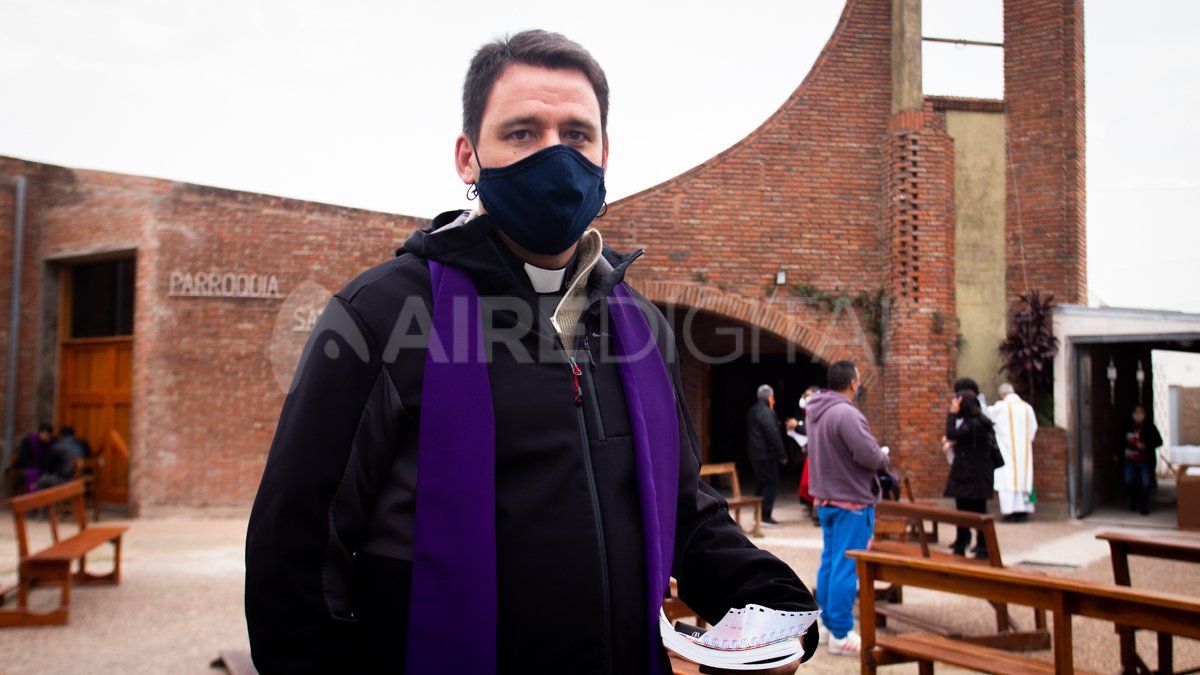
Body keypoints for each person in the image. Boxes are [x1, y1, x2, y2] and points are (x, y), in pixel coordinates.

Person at [245, 30, 818, 674]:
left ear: (605, 153)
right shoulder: (378, 315)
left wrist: (768, 605)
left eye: (576, 135)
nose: (555, 156)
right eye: (522, 133)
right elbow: (295, 555)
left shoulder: (644, 330)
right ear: (468, 157)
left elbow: (684, 512)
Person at [807, 361, 889, 656]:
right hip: (851, 501)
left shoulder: (816, 411)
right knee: (847, 567)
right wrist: (883, 457)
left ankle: (828, 625)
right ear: (853, 383)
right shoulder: (846, 413)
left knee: (830, 563)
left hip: (826, 500)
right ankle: (841, 632)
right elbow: (868, 455)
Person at [943, 394, 998, 558]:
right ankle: (965, 543)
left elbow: (951, 434)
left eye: (957, 403)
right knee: (965, 510)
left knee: (976, 512)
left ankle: (982, 546)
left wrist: (951, 414)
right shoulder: (976, 421)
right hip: (973, 476)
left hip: (973, 477)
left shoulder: (975, 423)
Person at [989, 382, 1038, 522]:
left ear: (1002, 394)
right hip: (1024, 452)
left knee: (1008, 480)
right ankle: (1023, 512)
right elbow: (1033, 428)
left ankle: (1010, 513)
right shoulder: (1027, 408)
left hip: (1007, 450)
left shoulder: (1001, 407)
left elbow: (987, 415)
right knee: (1024, 478)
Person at [747, 384, 786, 525]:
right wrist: (783, 454)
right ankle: (765, 515)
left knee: (761, 483)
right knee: (771, 483)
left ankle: (758, 514)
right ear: (770, 397)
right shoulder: (767, 412)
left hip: (754, 453)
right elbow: (773, 435)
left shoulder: (753, 410)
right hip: (766, 455)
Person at [1116, 404, 1162, 515]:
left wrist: (1146, 445)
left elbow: (1159, 441)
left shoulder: (1150, 427)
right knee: (1128, 481)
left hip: (1144, 460)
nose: (1138, 415)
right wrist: (1119, 452)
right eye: (1136, 413)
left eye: (1141, 413)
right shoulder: (1126, 426)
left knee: (1146, 483)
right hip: (1130, 460)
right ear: (1132, 414)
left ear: (1144, 415)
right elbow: (1118, 441)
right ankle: (1134, 499)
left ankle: (1144, 506)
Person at [12, 423, 53, 494]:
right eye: (47, 435)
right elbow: (23, 458)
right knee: (34, 473)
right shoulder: (28, 441)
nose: (48, 438)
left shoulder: (48, 443)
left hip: (38, 468)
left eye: (50, 436)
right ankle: (32, 497)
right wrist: (37, 469)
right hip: (23, 467)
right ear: (40, 433)